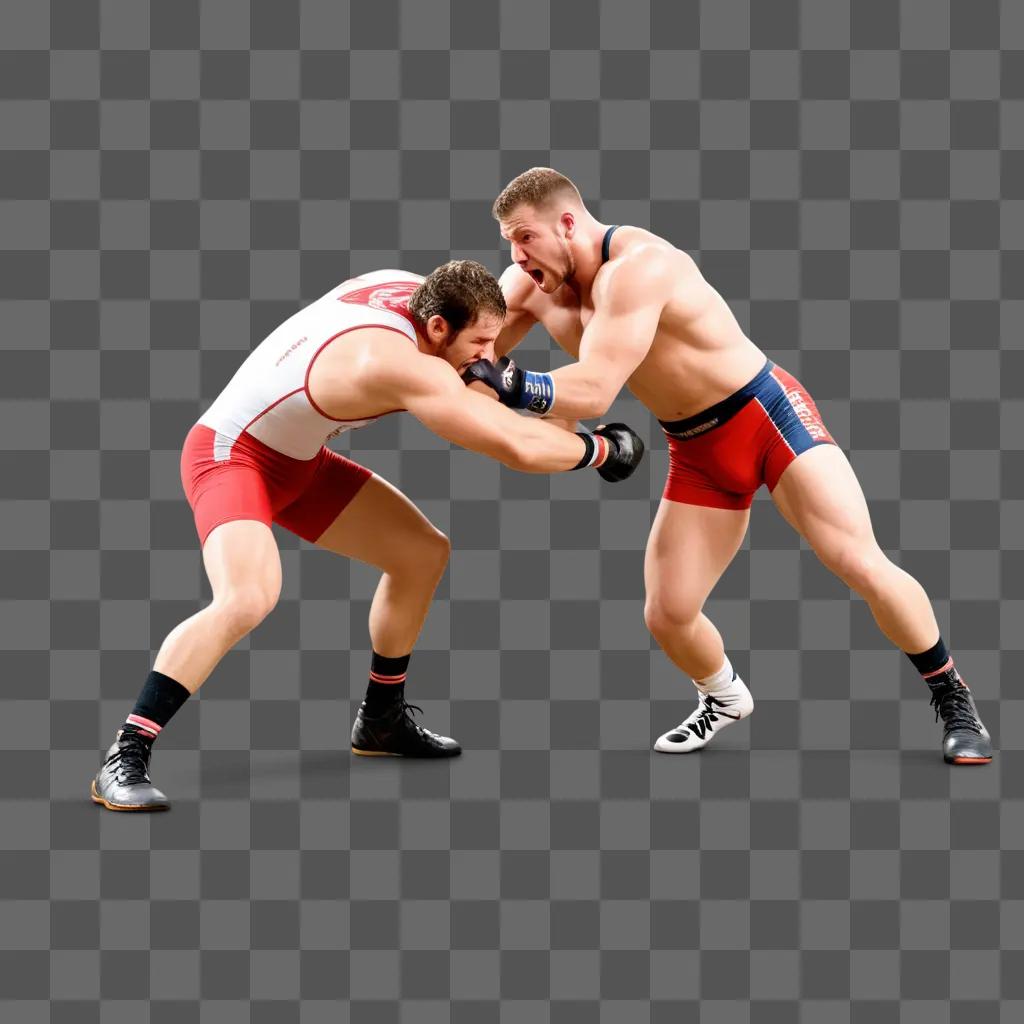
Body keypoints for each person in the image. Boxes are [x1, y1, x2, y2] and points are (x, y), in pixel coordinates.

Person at [464, 167, 991, 766]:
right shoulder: (527, 285)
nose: (516, 253)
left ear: (566, 223)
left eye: (524, 236)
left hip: (767, 419)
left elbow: (593, 389)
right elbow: (470, 357)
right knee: (667, 613)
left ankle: (953, 698)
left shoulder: (640, 267)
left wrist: (508, 383)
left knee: (857, 561)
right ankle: (723, 696)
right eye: (509, 239)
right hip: (696, 449)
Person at [91, 260, 645, 811]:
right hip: (231, 456)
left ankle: (381, 719)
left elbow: (490, 375)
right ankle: (125, 754)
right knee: (247, 596)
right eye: (479, 342)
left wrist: (520, 381)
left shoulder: (414, 291)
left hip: (300, 462)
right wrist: (600, 450)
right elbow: (515, 447)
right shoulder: (398, 365)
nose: (487, 355)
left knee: (421, 553)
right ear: (436, 329)